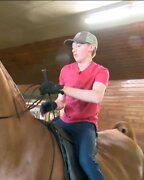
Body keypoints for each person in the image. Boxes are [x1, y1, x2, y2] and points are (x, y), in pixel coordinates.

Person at [39, 31, 109, 180]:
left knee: (86, 160)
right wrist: (51, 105)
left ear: (91, 47)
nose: (73, 49)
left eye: (78, 45)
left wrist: (61, 88)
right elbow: (62, 101)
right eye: (72, 47)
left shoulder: (101, 71)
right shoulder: (65, 70)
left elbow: (96, 96)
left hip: (85, 125)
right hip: (64, 121)